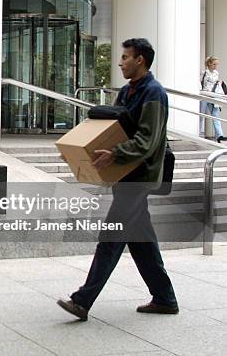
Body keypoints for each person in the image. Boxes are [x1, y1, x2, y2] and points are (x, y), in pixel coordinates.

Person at [57, 38, 178, 320]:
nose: (120, 62)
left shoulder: (153, 94)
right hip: (125, 175)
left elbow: (146, 141)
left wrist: (115, 153)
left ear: (141, 60)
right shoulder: (127, 92)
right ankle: (165, 298)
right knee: (141, 241)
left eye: (125, 57)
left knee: (110, 237)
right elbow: (111, 128)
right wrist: (79, 151)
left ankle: (82, 301)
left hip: (139, 176)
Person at [200, 56, 225, 142]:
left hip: (213, 96)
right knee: (201, 115)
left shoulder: (216, 73)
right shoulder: (204, 72)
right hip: (204, 95)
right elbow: (199, 83)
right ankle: (198, 134)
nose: (216, 66)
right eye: (214, 64)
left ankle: (220, 135)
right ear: (209, 63)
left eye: (217, 64)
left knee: (216, 115)